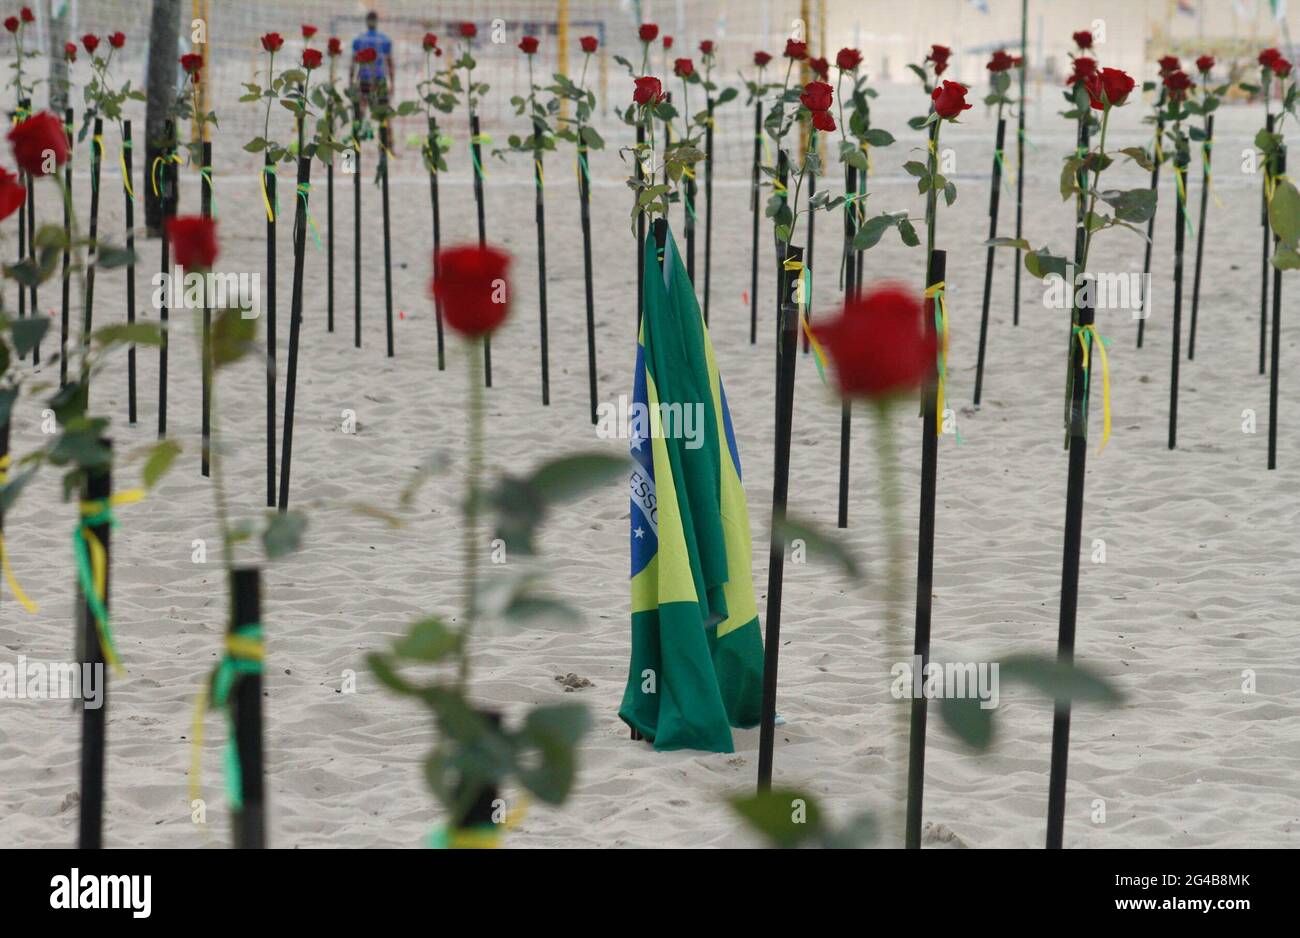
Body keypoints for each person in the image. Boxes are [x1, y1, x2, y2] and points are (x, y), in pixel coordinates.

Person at [350, 10, 394, 115]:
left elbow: (353, 64)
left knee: (361, 110)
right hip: (380, 78)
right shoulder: (385, 40)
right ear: (376, 22)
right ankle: (384, 130)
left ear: (367, 22)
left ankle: (360, 130)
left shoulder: (359, 40)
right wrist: (392, 83)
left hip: (364, 78)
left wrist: (351, 81)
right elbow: (390, 63)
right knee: (384, 113)